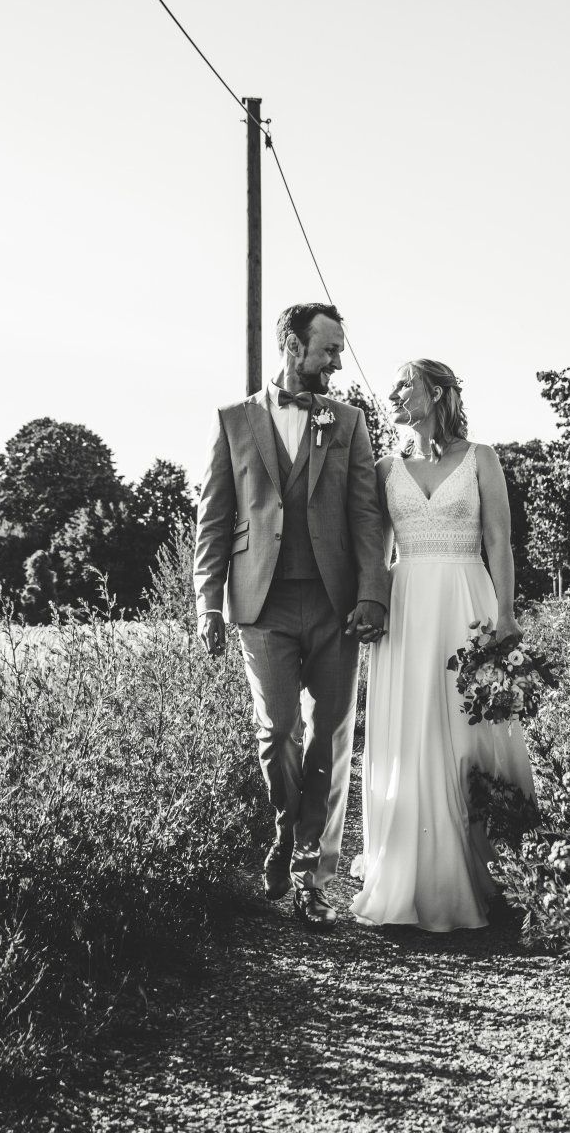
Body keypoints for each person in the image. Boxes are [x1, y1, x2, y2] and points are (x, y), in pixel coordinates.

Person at [193, 302, 390, 930]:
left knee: (330, 739)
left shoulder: (348, 420)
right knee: (278, 731)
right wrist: (207, 601)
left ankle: (310, 872)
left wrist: (372, 593)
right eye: (328, 349)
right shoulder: (233, 420)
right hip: (261, 605)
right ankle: (286, 830)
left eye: (337, 350)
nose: (336, 361)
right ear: (291, 344)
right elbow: (214, 518)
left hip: (336, 606)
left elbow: (366, 514)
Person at [349, 359, 536, 932]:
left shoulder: (482, 459)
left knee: (467, 729)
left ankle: (493, 868)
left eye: (404, 383)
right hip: (406, 610)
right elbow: (372, 553)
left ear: (434, 391)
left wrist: (504, 614)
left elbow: (500, 541)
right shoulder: (385, 467)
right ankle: (411, 869)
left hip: (465, 599)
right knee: (413, 729)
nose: (394, 393)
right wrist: (371, 607)